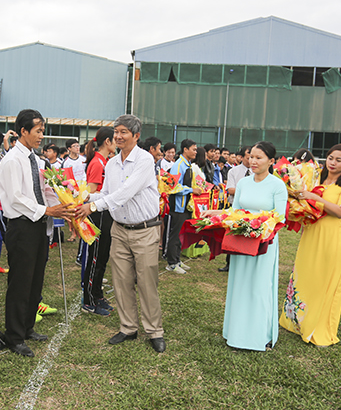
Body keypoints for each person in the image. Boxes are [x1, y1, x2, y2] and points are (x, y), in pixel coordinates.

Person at [76, 115, 165, 353]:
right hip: (119, 230)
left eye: (124, 132)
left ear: (136, 136)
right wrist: (85, 197)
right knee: (121, 281)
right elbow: (106, 192)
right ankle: (128, 328)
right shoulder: (112, 163)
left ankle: (154, 331)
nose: (118, 136)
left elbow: (126, 193)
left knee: (147, 282)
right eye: (116, 131)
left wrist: (93, 206)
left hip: (144, 230)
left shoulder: (145, 160)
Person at [0, 110, 74, 357]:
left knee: (35, 278)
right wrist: (47, 209)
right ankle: (14, 335)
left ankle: (28, 326)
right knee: (20, 281)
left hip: (40, 223)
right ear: (23, 131)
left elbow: (40, 189)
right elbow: (16, 198)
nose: (42, 135)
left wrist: (61, 200)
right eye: (38, 130)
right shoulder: (11, 160)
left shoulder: (36, 160)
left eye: (43, 130)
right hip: (22, 225)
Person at [207, 141, 287, 351]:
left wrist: (259, 225)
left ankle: (260, 336)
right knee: (240, 286)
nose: (253, 161)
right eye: (251, 156)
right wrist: (215, 214)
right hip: (242, 240)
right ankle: (236, 333)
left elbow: (280, 218)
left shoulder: (277, 185)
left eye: (259, 157)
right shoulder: (243, 183)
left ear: (271, 161)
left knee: (260, 287)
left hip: (264, 243)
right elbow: (235, 211)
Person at [279, 144, 341, 346]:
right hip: (312, 233)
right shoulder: (315, 177)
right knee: (305, 275)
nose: (332, 163)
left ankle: (318, 326)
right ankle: (296, 321)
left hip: (332, 238)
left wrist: (315, 198)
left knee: (325, 282)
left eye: (339, 160)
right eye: (330, 158)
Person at [81, 127, 115, 316]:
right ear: (107, 142)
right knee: (95, 258)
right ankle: (89, 300)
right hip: (97, 214)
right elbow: (89, 193)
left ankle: (98, 295)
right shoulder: (97, 163)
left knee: (102, 258)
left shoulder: (104, 161)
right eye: (115, 139)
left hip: (105, 212)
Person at [165, 139, 203, 274]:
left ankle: (177, 259)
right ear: (185, 149)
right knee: (175, 234)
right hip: (178, 206)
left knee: (181, 234)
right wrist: (191, 190)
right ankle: (171, 263)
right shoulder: (178, 165)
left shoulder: (188, 164)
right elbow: (172, 186)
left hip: (186, 206)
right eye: (193, 149)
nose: (195, 152)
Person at [220, 146, 251, 272]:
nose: (252, 161)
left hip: (251, 208)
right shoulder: (234, 171)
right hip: (235, 206)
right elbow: (230, 190)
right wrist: (249, 191)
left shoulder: (258, 173)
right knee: (233, 235)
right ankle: (229, 263)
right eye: (249, 158)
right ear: (241, 157)